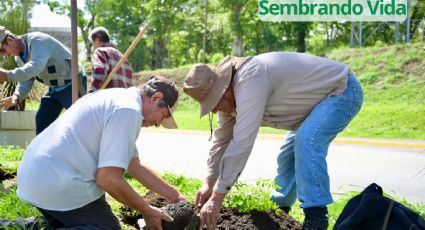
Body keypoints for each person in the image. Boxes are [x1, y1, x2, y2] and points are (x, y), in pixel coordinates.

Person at [183, 52, 363, 230]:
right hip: (314, 106)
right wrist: (209, 182)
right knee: (287, 155)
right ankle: (280, 211)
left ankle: (316, 218)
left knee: (307, 141)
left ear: (225, 90)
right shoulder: (229, 99)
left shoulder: (250, 79)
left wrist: (216, 199)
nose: (214, 111)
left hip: (342, 92)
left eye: (213, 103)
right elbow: (221, 142)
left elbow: (242, 143)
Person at [17, 76, 182, 229]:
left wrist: (174, 195)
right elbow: (108, 179)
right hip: (59, 182)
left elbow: (133, 164)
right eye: (164, 115)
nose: (159, 123)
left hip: (37, 176)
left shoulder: (118, 98)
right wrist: (147, 210)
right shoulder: (128, 110)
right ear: (156, 98)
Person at [0, 26, 87, 135]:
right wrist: (16, 97)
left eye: (3, 51)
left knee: (80, 123)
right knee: (42, 120)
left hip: (72, 84)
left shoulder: (38, 41)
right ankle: (44, 152)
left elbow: (35, 67)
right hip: (54, 89)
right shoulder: (19, 58)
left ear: (10, 40)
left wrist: (6, 75)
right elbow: (27, 79)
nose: (5, 55)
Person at [89, 26, 134, 92]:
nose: (93, 47)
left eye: (92, 43)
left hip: (108, 98)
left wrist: (92, 92)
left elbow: (100, 70)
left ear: (97, 40)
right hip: (124, 98)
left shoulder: (100, 51)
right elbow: (130, 82)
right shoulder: (123, 57)